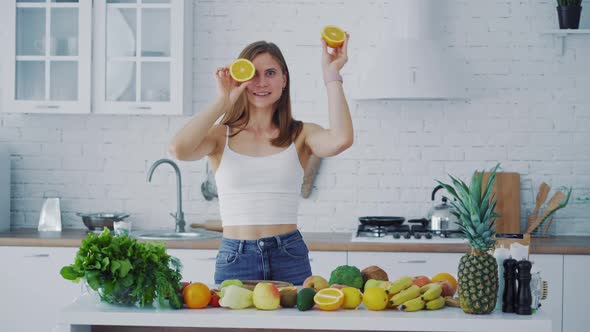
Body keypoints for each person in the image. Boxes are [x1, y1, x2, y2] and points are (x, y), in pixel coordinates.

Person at [169, 35, 353, 285]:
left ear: (284, 79)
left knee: (292, 326)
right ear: (240, 79)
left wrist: (331, 74)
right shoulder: (220, 135)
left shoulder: (302, 134)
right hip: (236, 256)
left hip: (289, 254)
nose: (261, 82)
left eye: (270, 73)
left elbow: (341, 139)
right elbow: (179, 149)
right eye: (252, 74)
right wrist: (222, 102)